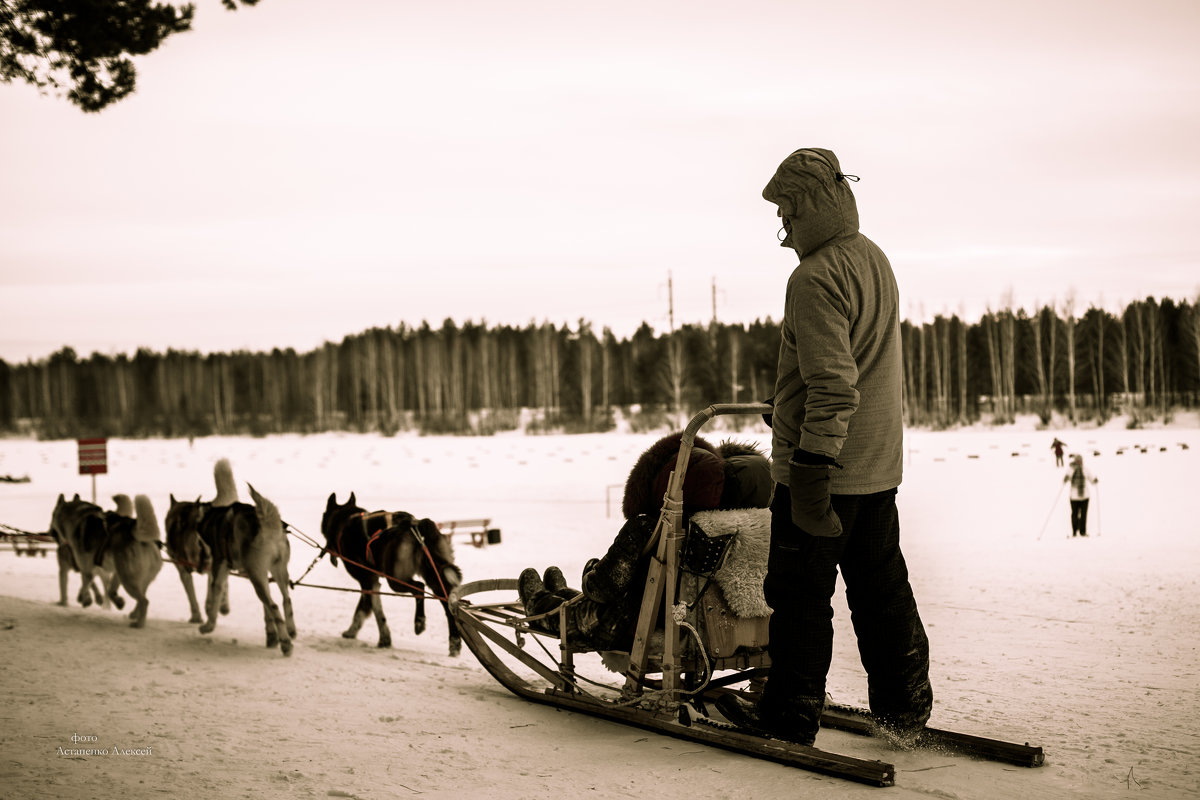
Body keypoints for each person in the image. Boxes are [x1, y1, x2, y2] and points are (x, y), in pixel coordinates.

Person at [721, 148, 932, 748]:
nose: (782, 225)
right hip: (876, 467)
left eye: (787, 208)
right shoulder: (873, 258)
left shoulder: (813, 277)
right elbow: (859, 365)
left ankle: (789, 717)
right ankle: (904, 708)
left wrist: (811, 462)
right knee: (881, 590)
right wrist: (786, 406)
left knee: (799, 598)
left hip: (823, 472)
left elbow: (835, 382)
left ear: (812, 205)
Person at [517, 433, 772, 652]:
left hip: (629, 624)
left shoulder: (654, 527)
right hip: (712, 626)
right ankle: (560, 594)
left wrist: (591, 571)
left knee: (579, 610)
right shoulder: (762, 527)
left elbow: (603, 588)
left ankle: (539, 603)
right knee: (580, 598)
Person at [1063, 454, 1098, 536]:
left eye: (1080, 460)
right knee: (1074, 514)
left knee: (1083, 515)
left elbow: (1091, 480)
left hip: (1085, 496)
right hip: (1074, 497)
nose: (1079, 462)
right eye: (1077, 460)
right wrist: (1065, 479)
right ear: (1075, 461)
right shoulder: (1070, 470)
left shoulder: (1085, 469)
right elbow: (1065, 480)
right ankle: (1074, 531)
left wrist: (1095, 480)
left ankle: (1083, 531)